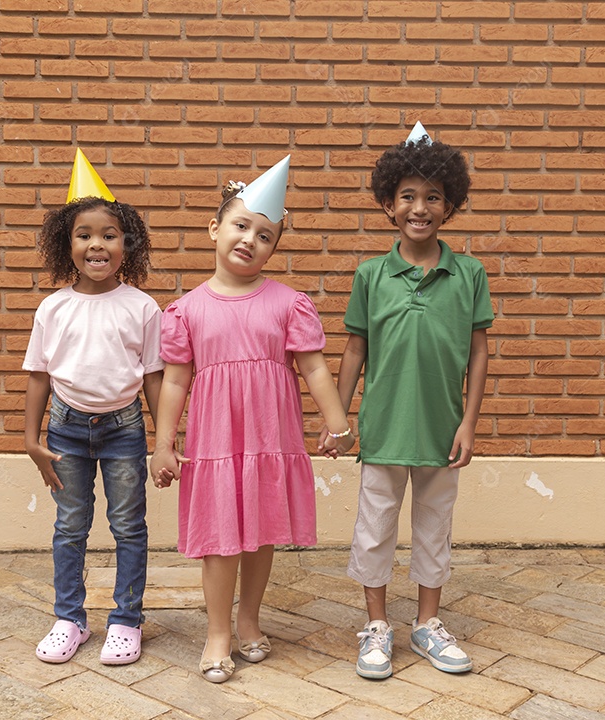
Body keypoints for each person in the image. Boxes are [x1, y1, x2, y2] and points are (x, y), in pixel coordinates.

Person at [150, 156, 356, 683]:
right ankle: (217, 630)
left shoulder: (289, 304)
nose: (249, 240)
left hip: (269, 433)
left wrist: (338, 422)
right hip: (216, 439)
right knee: (220, 535)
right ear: (215, 228)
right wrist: (164, 443)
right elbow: (175, 380)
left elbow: (312, 367)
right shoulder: (187, 310)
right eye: (241, 226)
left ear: (273, 247)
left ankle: (248, 619)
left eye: (265, 235)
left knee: (261, 529)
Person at [332, 123, 493, 680]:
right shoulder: (371, 274)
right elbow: (355, 350)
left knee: (434, 526)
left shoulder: (469, 273)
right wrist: (339, 417)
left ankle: (427, 623)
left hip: (442, 427)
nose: (420, 207)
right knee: (375, 527)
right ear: (388, 204)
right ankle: (376, 626)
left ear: (449, 205)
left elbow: (478, 354)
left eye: (432, 197)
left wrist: (468, 423)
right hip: (384, 427)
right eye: (407, 196)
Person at [23, 149, 163, 666]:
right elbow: (38, 374)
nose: (96, 244)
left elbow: (153, 377)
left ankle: (126, 620)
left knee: (129, 526)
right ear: (68, 244)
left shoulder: (143, 307)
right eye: (84, 234)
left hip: (124, 430)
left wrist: (165, 439)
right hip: (63, 430)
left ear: (128, 244)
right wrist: (31, 440)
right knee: (70, 527)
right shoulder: (53, 307)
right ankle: (70, 618)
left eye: (109, 234)